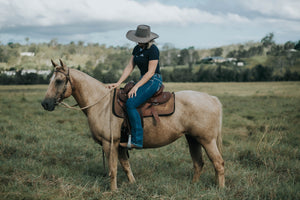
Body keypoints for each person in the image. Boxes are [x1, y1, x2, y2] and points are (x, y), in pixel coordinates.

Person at [107, 24, 162, 149]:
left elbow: (151, 72)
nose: (138, 42)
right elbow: (130, 67)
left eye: (141, 40)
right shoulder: (137, 49)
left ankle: (137, 141)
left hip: (153, 80)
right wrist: (118, 82)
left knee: (131, 103)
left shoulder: (153, 50)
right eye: (137, 39)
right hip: (144, 79)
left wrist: (136, 86)